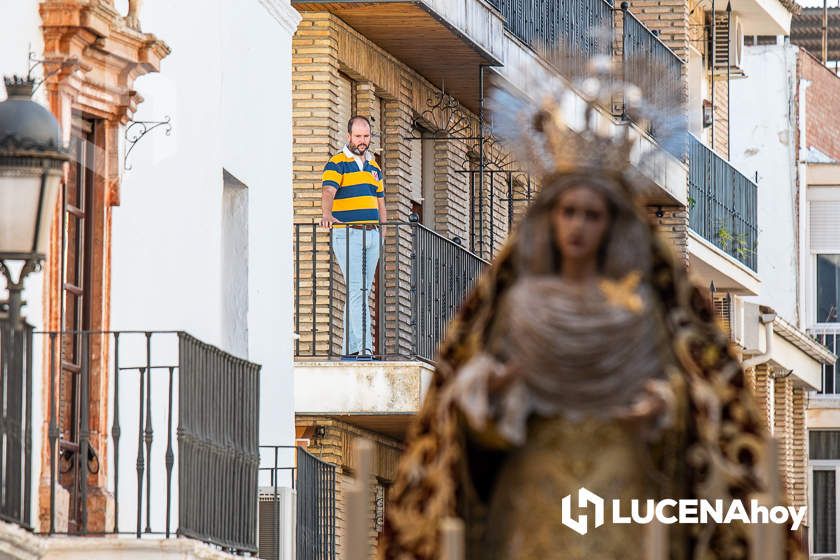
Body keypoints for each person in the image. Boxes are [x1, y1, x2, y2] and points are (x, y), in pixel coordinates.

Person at [377, 81, 803, 559]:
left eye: (592, 215)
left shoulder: (644, 309)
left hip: (620, 492)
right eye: (569, 212)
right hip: (534, 494)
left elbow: (696, 397)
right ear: (552, 220)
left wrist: (662, 408)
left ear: (611, 224)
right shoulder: (518, 305)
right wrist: (487, 395)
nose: (578, 225)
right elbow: (462, 415)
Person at [321, 115, 387, 357]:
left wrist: (384, 231)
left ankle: (350, 349)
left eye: (366, 136)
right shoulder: (337, 163)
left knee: (361, 291)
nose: (362, 141)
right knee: (358, 290)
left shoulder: (373, 167)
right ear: (348, 136)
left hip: (372, 236)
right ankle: (364, 348)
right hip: (348, 234)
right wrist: (326, 215)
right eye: (358, 136)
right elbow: (328, 190)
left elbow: (380, 201)